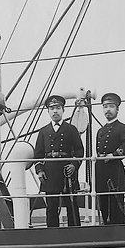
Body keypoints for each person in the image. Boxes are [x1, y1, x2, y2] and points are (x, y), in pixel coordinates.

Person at [34, 94, 84, 227]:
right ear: (48, 111)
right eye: (52, 108)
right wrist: (39, 170)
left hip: (67, 171)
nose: (55, 111)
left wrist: (74, 165)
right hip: (50, 172)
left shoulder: (71, 129)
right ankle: (52, 234)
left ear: (63, 110)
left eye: (58, 108)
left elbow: (80, 151)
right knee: (51, 206)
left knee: (71, 204)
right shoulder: (43, 131)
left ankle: (74, 233)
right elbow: (38, 154)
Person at [93, 92, 125, 225]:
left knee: (116, 206)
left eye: (111, 106)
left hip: (114, 171)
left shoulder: (122, 128)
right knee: (104, 205)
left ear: (117, 109)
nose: (108, 110)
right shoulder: (100, 131)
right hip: (101, 172)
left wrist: (114, 155)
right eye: (105, 107)